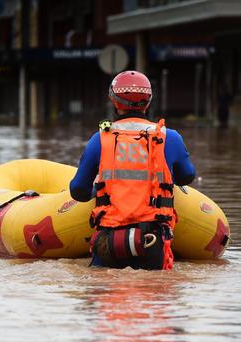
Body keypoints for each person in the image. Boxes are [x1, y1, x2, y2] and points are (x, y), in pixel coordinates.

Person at [70, 70, 195, 270]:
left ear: (113, 100)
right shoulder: (169, 137)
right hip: (152, 241)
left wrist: (97, 190)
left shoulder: (100, 139)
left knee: (103, 292)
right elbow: (187, 176)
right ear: (149, 101)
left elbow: (78, 190)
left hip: (108, 242)